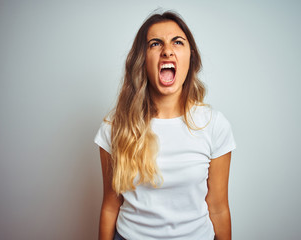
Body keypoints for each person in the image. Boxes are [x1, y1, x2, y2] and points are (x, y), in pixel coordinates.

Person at [94, 11, 236, 240]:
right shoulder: (114, 128)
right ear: (142, 59)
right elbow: (110, 206)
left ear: (190, 57)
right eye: (155, 44)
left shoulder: (214, 125)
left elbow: (218, 208)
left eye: (177, 42)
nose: (167, 51)